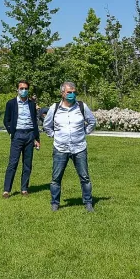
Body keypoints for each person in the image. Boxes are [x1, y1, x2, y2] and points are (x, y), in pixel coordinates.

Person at [43, 81, 97, 212]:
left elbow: (92, 121)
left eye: (74, 92)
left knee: (85, 177)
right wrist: (55, 136)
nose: (72, 94)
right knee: (56, 178)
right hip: (60, 148)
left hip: (79, 148)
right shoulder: (54, 108)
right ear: (62, 93)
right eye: (69, 92)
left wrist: (84, 133)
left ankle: (88, 203)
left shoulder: (81, 107)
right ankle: (55, 203)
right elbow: (46, 126)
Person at [3, 80, 40, 197]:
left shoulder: (32, 104)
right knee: (13, 163)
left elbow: (35, 122)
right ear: (17, 90)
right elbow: (6, 120)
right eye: (21, 88)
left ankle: (24, 188)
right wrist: (11, 132)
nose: (23, 90)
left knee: (27, 163)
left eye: (26, 89)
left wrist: (37, 138)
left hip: (30, 135)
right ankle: (6, 190)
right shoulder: (11, 103)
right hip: (17, 135)